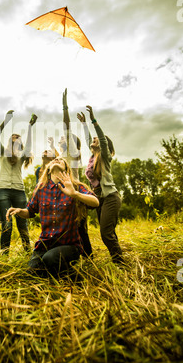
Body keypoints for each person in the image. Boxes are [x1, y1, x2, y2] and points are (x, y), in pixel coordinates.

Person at [6, 157, 99, 278]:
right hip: (45, 244)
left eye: (61, 160)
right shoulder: (41, 189)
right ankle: (59, 275)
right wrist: (19, 211)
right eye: (54, 160)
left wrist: (75, 194)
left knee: (49, 260)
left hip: (69, 246)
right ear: (48, 170)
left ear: (66, 169)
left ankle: (79, 279)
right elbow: (30, 211)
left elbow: (95, 202)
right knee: (31, 275)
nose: (56, 159)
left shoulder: (75, 186)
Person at [77, 106, 124, 264]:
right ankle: (118, 259)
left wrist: (93, 120)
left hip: (110, 197)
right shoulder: (92, 158)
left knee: (105, 234)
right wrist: (84, 124)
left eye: (96, 140)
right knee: (108, 232)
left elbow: (102, 140)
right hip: (99, 199)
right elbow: (87, 139)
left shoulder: (104, 157)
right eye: (93, 140)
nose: (93, 140)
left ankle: (120, 263)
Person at [0, 110, 37, 254]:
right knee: (7, 224)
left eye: (18, 137)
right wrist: (6, 121)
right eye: (13, 136)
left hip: (19, 191)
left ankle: (27, 254)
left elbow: (29, 146)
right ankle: (4, 257)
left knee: (22, 224)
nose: (15, 137)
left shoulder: (22, 155)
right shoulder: (3, 152)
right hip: (2, 190)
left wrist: (30, 126)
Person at [61, 88, 94, 258]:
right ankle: (78, 257)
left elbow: (66, 127)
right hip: (67, 194)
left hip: (74, 194)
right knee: (73, 228)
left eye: (65, 138)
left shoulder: (72, 152)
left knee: (80, 228)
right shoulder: (64, 156)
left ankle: (88, 258)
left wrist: (65, 107)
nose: (62, 139)